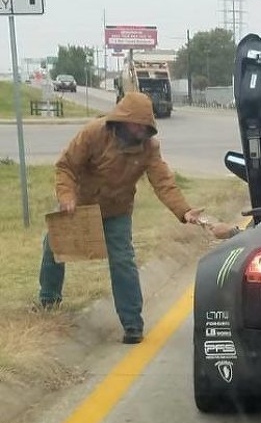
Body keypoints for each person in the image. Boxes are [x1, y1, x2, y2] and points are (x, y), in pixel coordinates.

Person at [38, 92, 204, 344]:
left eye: (144, 125)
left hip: (117, 210)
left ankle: (132, 324)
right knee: (53, 246)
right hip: (79, 205)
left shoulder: (149, 147)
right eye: (135, 123)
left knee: (123, 261)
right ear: (122, 119)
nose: (139, 129)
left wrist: (184, 211)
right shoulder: (94, 133)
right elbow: (66, 167)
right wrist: (66, 196)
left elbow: (163, 182)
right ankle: (49, 301)